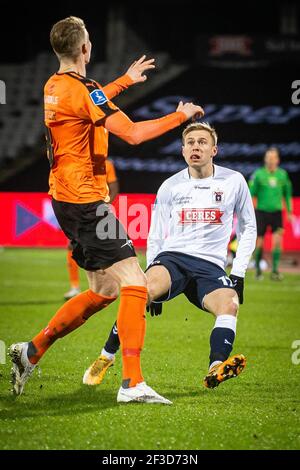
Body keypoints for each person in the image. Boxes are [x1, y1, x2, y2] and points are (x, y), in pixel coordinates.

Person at [9, 16, 204, 404]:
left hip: (66, 198)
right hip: (86, 202)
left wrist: (125, 80)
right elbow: (132, 133)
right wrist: (181, 116)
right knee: (135, 283)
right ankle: (132, 383)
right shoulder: (84, 90)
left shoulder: (54, 85)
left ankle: (29, 352)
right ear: (86, 49)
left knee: (103, 290)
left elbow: (91, 99)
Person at [82, 122, 257, 390]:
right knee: (140, 293)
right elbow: (155, 234)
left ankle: (216, 367)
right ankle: (106, 357)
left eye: (202, 142)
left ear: (214, 150)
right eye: (190, 142)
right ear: (183, 150)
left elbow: (248, 228)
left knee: (230, 304)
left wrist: (239, 273)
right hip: (173, 258)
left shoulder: (234, 181)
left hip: (211, 267)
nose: (195, 146)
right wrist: (152, 266)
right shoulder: (170, 185)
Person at [64, 159, 119, 300]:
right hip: (81, 209)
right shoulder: (78, 163)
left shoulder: (106, 163)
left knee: (106, 248)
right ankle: (75, 287)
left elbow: (114, 187)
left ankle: (116, 283)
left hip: (99, 211)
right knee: (72, 246)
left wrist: (104, 205)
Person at [249, 147, 293, 281]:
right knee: (259, 243)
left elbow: (287, 194)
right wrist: (249, 212)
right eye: (269, 157)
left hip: (277, 213)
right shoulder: (259, 174)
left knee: (278, 242)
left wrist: (289, 211)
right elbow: (251, 194)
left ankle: (274, 271)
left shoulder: (282, 175)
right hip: (261, 212)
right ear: (265, 159)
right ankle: (257, 270)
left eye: (273, 157)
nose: (271, 160)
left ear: (277, 160)